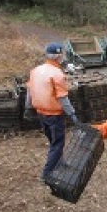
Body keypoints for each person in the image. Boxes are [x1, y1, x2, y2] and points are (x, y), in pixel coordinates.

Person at [26, 42, 79, 181]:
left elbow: (29, 91)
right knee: (58, 143)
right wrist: (72, 114)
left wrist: (27, 108)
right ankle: (47, 173)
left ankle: (60, 162)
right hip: (54, 114)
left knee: (52, 140)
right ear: (59, 56)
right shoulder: (57, 74)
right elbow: (62, 97)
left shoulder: (35, 70)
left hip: (40, 112)